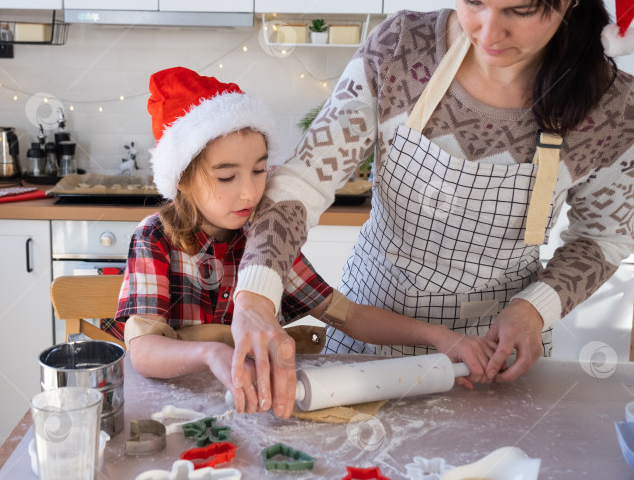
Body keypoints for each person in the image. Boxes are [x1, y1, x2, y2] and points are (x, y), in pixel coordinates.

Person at [230, 0, 634, 418]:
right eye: (472, 0)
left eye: (519, 11)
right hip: (370, 336)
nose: (489, 32)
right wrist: (255, 295)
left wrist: (534, 309)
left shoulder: (614, 106)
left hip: (495, 355)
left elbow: (601, 238)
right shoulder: (402, 49)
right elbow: (301, 184)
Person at [107, 66, 495, 410]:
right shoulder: (155, 237)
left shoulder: (263, 238)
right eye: (227, 177)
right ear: (181, 181)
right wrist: (211, 353)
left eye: (259, 171)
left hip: (253, 405)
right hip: (174, 406)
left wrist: (438, 336)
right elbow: (142, 353)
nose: (249, 192)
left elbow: (348, 315)